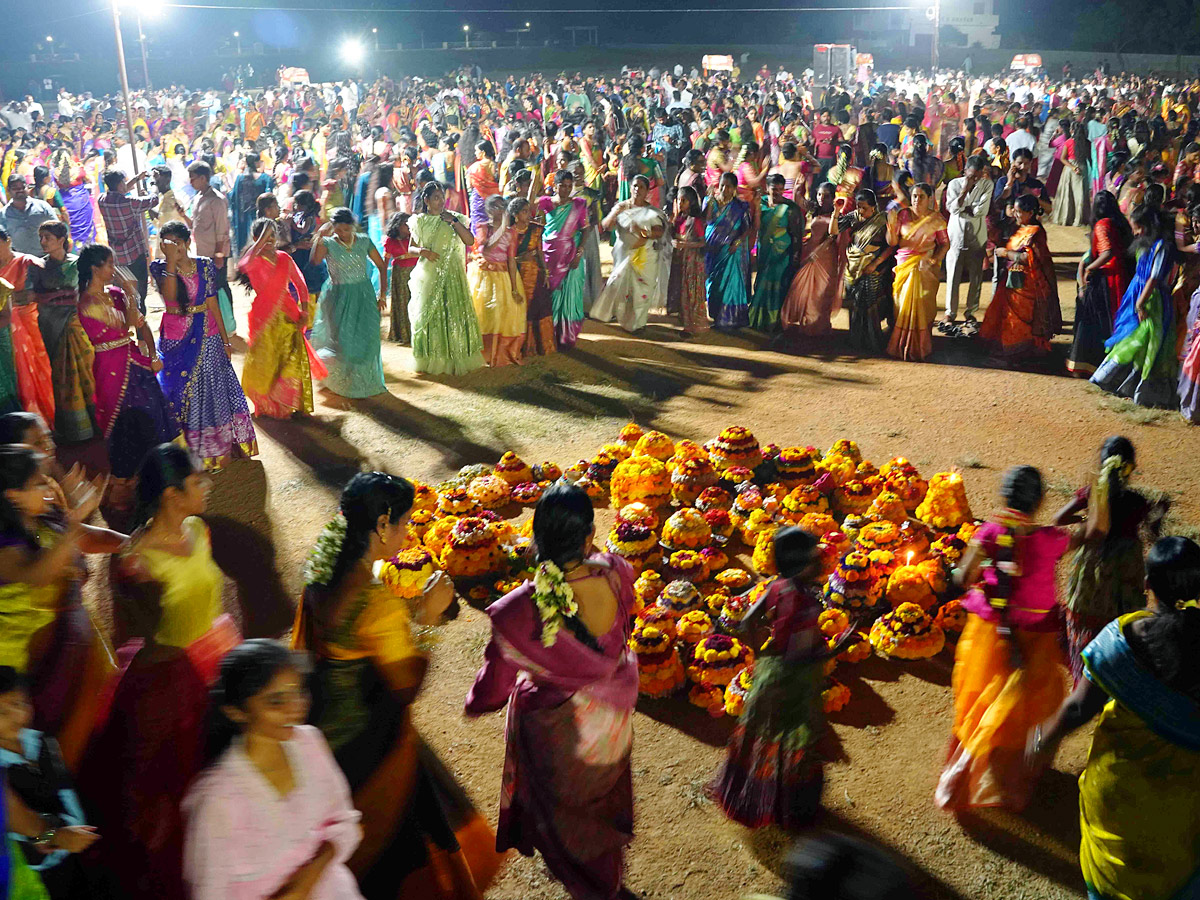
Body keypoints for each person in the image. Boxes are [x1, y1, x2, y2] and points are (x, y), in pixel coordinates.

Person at [295, 472, 502, 899]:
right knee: (399, 851)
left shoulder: (323, 564)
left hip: (323, 727)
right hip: (371, 742)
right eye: (405, 523)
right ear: (382, 524)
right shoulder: (374, 603)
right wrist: (425, 621)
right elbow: (405, 687)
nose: (408, 533)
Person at [79, 443, 241, 900]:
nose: (207, 486)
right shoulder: (137, 562)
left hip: (216, 651)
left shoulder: (197, 528)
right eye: (197, 482)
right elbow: (135, 636)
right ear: (171, 494)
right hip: (171, 679)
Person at [466, 482, 639, 900]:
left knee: (566, 814)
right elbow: (626, 626)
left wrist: (476, 702)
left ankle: (590, 884)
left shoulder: (516, 610)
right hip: (611, 719)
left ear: (535, 538)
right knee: (601, 795)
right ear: (589, 537)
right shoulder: (618, 573)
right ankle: (607, 876)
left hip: (556, 732)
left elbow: (492, 690)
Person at [1028, 535, 1200, 900]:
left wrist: (1041, 739)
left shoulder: (1123, 636)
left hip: (1118, 795)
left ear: (1147, 585)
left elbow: (1078, 708)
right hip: (1186, 799)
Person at [935, 465, 1076, 811]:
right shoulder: (1049, 540)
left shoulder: (989, 533)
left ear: (1004, 495)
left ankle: (959, 778)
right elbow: (1091, 531)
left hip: (991, 634)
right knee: (1024, 707)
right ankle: (1007, 778)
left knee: (983, 701)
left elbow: (964, 576)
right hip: (1035, 636)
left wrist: (955, 570)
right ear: (1039, 500)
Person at [183, 639, 365, 900]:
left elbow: (346, 822)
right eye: (276, 701)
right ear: (236, 711)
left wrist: (307, 880)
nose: (296, 707)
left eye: (299, 691)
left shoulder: (309, 743)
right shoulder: (217, 799)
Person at [710, 527, 851, 829]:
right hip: (792, 683)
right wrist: (837, 647)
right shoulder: (803, 602)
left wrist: (762, 656)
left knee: (758, 739)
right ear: (801, 565)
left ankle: (747, 797)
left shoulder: (778, 586)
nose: (821, 564)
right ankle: (784, 810)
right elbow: (801, 655)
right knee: (792, 745)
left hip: (769, 673)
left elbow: (748, 621)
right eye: (815, 559)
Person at [0, 439, 118, 770]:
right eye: (38, 483)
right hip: (32, 668)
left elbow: (72, 558)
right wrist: (76, 521)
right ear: (13, 497)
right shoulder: (4, 548)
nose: (48, 489)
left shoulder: (38, 521)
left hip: (69, 647)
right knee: (61, 750)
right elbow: (37, 575)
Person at [1057, 436, 1166, 684]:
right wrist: (1159, 514)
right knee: (1123, 621)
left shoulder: (1090, 494)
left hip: (1091, 569)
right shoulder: (1138, 502)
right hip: (1126, 569)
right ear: (1131, 467)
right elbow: (1153, 534)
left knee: (1085, 617)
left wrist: (1087, 521)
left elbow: (1059, 518)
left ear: (1102, 462)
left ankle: (1085, 677)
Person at [151, 220, 257, 470]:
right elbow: (170, 300)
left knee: (212, 388)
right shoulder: (160, 267)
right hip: (177, 337)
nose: (171, 248)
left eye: (176, 243)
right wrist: (170, 261)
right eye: (166, 243)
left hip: (207, 333)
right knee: (179, 388)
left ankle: (214, 448)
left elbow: (212, 303)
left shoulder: (205, 265)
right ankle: (184, 451)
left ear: (188, 242)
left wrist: (224, 339)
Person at [76, 242, 181, 492]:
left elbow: (137, 325)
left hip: (133, 357)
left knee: (152, 409)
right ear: (94, 268)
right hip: (111, 366)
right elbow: (126, 323)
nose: (114, 269)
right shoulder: (87, 303)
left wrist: (152, 353)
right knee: (125, 421)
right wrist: (131, 293)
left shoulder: (115, 293)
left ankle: (157, 471)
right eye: (110, 264)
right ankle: (127, 478)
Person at [0, 666, 98, 899]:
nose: (16, 716)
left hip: (71, 853)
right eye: (2, 713)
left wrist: (69, 828)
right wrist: (57, 835)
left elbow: (67, 792)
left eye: (19, 704)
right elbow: (19, 832)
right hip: (33, 872)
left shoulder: (43, 742)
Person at [238, 216, 326, 418]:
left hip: (288, 316)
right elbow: (243, 263)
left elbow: (301, 284)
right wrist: (260, 241)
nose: (269, 241)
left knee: (289, 359)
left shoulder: (284, 258)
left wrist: (304, 311)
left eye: (272, 237)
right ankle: (267, 401)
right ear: (255, 238)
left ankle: (286, 402)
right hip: (263, 318)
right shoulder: (253, 261)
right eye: (264, 238)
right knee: (267, 360)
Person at [1091, 204, 1177, 408]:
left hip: (1151, 300)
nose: (1134, 232)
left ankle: (1137, 390)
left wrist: (1140, 303)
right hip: (1136, 294)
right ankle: (1112, 380)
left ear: (1148, 226)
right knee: (1128, 335)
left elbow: (1154, 278)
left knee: (1143, 341)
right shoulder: (1147, 243)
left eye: (1137, 228)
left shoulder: (1162, 246)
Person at [23, 223, 95, 444]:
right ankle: (72, 429)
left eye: (48, 237)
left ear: (62, 239)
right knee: (59, 375)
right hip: (50, 325)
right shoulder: (36, 266)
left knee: (85, 371)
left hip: (76, 325)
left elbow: (88, 294)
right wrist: (57, 297)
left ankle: (96, 421)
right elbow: (29, 296)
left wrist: (54, 296)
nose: (43, 242)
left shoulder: (78, 264)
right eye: (41, 237)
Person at [309, 208, 388, 397]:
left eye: (346, 229)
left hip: (364, 295)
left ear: (353, 227)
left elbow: (381, 266)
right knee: (342, 339)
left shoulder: (364, 241)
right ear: (333, 227)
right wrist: (321, 235)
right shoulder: (328, 243)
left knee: (368, 336)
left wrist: (382, 294)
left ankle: (365, 378)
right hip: (338, 296)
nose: (343, 233)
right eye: (339, 229)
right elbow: (315, 261)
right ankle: (345, 378)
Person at [409, 182, 484, 375]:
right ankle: (434, 357)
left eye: (442, 197)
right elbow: (411, 248)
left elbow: (470, 241)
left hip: (452, 274)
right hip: (429, 274)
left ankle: (456, 355)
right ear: (426, 200)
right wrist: (422, 251)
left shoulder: (455, 218)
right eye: (436, 198)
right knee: (430, 315)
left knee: (454, 314)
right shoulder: (419, 221)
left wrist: (454, 222)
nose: (441, 201)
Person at [979, 194, 1062, 361]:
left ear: (1030, 213)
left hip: (1027, 282)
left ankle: (1018, 352)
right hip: (1012, 280)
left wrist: (1007, 254)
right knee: (1007, 315)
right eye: (1014, 211)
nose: (1015, 215)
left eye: (1019, 212)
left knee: (1019, 318)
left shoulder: (1036, 232)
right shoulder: (1021, 228)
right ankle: (1009, 348)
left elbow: (1033, 258)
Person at [591, 175, 671, 334]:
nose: (637, 189)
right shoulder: (622, 207)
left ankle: (638, 324)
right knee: (621, 287)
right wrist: (616, 213)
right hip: (625, 255)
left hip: (646, 257)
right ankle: (621, 316)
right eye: (635, 186)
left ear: (648, 191)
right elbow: (606, 225)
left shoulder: (653, 212)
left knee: (643, 290)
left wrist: (641, 232)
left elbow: (659, 232)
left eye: (642, 187)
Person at [1067, 192, 1133, 378]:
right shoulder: (1119, 224)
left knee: (1096, 319)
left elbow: (1107, 252)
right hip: (1121, 275)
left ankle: (1091, 364)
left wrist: (1089, 269)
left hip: (1107, 278)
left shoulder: (1102, 225)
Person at [886, 183, 948, 362]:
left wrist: (934, 259)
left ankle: (921, 345)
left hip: (926, 269)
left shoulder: (937, 219)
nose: (917, 200)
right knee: (903, 303)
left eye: (921, 197)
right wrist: (891, 226)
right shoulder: (902, 215)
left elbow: (945, 244)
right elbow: (892, 242)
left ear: (930, 199)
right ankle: (900, 344)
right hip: (905, 265)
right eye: (914, 196)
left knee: (923, 303)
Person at [0, 227, 53, 425]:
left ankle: (41, 419)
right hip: (6, 331)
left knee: (35, 372)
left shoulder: (27, 262)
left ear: (8, 241)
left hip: (29, 326)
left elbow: (44, 291)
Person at [780, 181, 842, 338]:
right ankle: (808, 324)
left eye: (826, 196)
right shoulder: (815, 209)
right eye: (820, 194)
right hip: (810, 253)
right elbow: (799, 200)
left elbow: (832, 237)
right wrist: (797, 187)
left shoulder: (838, 215)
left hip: (826, 257)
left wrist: (817, 253)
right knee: (808, 291)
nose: (822, 198)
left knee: (822, 291)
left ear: (833, 197)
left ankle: (820, 327)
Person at [468, 194, 524, 366]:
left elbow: (511, 259)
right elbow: (486, 249)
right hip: (484, 276)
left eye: (502, 206)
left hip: (503, 276)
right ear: (489, 210)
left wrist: (514, 288)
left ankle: (501, 352)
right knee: (485, 313)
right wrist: (502, 228)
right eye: (497, 207)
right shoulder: (482, 227)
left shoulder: (512, 232)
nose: (500, 210)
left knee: (505, 313)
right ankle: (483, 352)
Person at [536, 171, 589, 349]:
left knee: (571, 294)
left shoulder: (579, 205)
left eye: (569, 186)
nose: (566, 190)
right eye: (562, 186)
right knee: (551, 293)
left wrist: (579, 253)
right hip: (549, 255)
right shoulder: (546, 203)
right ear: (555, 186)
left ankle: (567, 336)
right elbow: (529, 210)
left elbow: (586, 229)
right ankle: (549, 335)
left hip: (571, 255)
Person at [940, 155, 992, 337]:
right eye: (971, 176)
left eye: (978, 176)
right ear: (965, 172)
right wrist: (965, 190)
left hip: (977, 238)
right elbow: (952, 208)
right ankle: (950, 312)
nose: (975, 179)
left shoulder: (987, 185)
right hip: (955, 236)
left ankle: (970, 312)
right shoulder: (954, 185)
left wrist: (964, 207)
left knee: (975, 277)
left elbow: (981, 211)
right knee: (952, 275)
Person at [750, 173, 804, 334]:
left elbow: (796, 235)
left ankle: (775, 321)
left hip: (782, 253)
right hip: (765, 250)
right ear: (767, 188)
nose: (777, 192)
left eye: (781, 189)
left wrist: (795, 256)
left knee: (778, 285)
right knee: (761, 282)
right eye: (774, 189)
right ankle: (758, 318)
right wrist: (757, 210)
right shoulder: (761, 204)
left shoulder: (790, 208)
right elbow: (756, 228)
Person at [187, 161, 235, 337]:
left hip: (216, 253)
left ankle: (229, 323)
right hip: (202, 253)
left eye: (193, 179)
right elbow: (195, 226)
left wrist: (219, 255)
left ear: (203, 178)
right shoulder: (198, 198)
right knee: (209, 288)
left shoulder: (217, 200)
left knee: (221, 286)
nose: (191, 182)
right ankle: (215, 322)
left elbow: (222, 230)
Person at [96, 169, 155, 314]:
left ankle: (126, 327)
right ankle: (141, 330)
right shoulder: (129, 203)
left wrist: (135, 178)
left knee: (123, 296)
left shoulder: (102, 201)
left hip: (117, 258)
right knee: (139, 296)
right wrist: (151, 187)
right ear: (120, 184)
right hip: (135, 254)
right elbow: (153, 200)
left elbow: (120, 191)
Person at [840, 188, 891, 353]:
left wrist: (876, 263)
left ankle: (872, 340)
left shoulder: (882, 220)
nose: (860, 210)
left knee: (870, 305)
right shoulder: (853, 217)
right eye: (858, 206)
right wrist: (835, 212)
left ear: (873, 208)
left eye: (864, 207)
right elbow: (834, 231)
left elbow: (891, 246)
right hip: (852, 267)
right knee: (853, 304)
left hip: (872, 268)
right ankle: (855, 339)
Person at [704, 171, 751, 330]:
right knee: (712, 283)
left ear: (734, 188)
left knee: (728, 284)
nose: (725, 189)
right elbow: (708, 220)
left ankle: (727, 319)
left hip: (730, 250)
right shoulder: (711, 201)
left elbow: (746, 228)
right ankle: (715, 314)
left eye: (728, 186)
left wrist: (737, 242)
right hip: (711, 249)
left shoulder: (740, 207)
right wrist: (709, 201)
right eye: (722, 185)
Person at [508, 197, 554, 356]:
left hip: (535, 274)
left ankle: (540, 345)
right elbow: (508, 258)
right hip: (518, 275)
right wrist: (520, 259)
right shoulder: (510, 232)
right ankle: (520, 346)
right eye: (524, 211)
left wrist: (546, 272)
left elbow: (540, 251)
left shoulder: (535, 229)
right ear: (515, 215)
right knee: (520, 308)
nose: (529, 214)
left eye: (529, 211)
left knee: (539, 306)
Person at [666, 184, 709, 336]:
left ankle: (692, 325)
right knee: (681, 290)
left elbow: (703, 242)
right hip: (680, 260)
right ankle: (685, 322)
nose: (680, 203)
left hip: (692, 261)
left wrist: (685, 244)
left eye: (684, 200)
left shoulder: (695, 221)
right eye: (678, 200)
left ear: (691, 202)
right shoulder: (679, 219)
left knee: (690, 292)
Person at [1, 175, 59, 257]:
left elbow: (58, 229)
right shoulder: (3, 215)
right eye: (15, 188)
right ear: (8, 190)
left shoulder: (42, 207)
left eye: (22, 187)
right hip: (21, 262)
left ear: (27, 187)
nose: (20, 190)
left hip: (47, 258)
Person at [383, 211, 417, 345]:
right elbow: (384, 263)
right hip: (400, 275)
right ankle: (404, 334)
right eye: (405, 224)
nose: (408, 227)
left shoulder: (414, 237)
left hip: (415, 273)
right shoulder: (391, 241)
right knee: (403, 302)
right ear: (397, 226)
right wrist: (383, 283)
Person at [229, 155, 272, 256]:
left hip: (242, 218)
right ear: (257, 163)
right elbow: (269, 198)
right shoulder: (265, 178)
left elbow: (233, 197)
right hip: (261, 217)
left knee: (244, 246)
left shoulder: (240, 178)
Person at [1051, 123, 1091, 227]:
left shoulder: (1068, 142)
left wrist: (1073, 167)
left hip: (1070, 168)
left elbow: (1062, 158)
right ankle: (1080, 219)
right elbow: (1089, 159)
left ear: (1072, 130)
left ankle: (1067, 218)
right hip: (1083, 168)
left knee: (1068, 195)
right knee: (1080, 195)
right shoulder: (1087, 143)